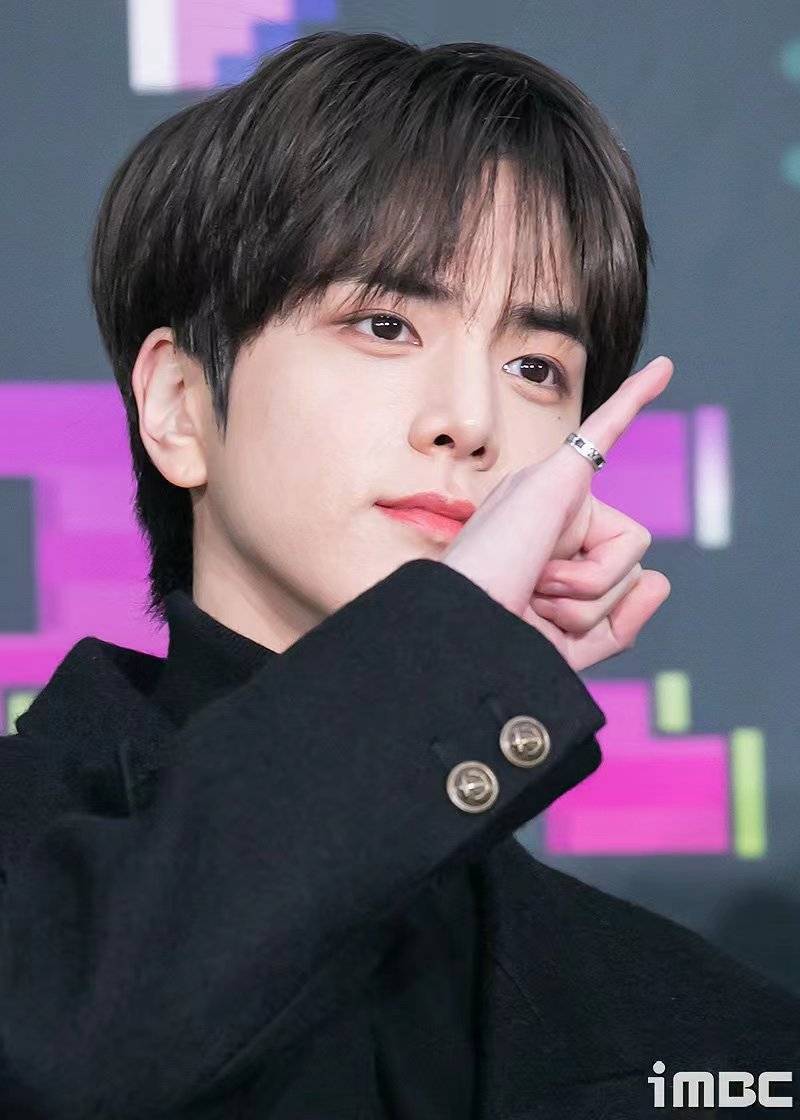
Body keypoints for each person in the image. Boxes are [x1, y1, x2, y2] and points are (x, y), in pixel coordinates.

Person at [1, 29, 797, 1120]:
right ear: (180, 406)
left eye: (535, 366)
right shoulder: (38, 890)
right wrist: (447, 666)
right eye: (383, 325)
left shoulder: (710, 1041)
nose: (468, 420)